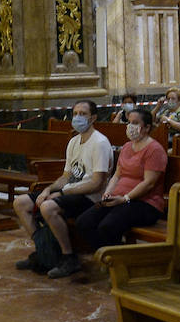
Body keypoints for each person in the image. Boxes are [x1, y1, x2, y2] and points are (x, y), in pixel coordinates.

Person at [14, 100, 112, 279]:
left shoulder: (100, 143)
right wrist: (48, 190)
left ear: (93, 118)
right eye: (75, 114)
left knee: (48, 207)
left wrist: (62, 193)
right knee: (21, 203)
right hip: (71, 190)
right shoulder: (74, 141)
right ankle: (44, 251)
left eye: (83, 114)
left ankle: (69, 257)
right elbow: (66, 176)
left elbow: (97, 183)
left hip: (90, 197)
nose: (77, 117)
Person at [75, 107, 167, 250]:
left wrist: (125, 198)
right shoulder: (126, 147)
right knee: (83, 221)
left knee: (108, 226)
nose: (130, 126)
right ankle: (110, 254)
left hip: (145, 203)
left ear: (147, 127)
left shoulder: (154, 150)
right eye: (129, 122)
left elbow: (149, 183)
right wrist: (108, 193)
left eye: (135, 123)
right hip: (119, 199)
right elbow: (117, 175)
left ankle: (115, 258)